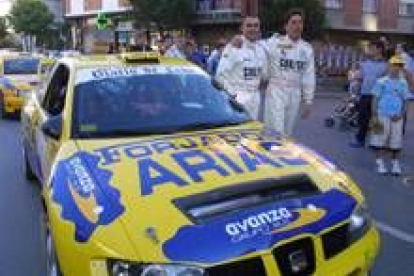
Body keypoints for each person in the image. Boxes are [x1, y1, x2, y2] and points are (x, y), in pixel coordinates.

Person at [262, 8, 315, 136]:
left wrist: (308, 100)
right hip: (276, 92)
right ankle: (271, 153)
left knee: (287, 132)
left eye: (300, 22)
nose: (297, 26)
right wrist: (239, 40)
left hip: (295, 94)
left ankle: (280, 155)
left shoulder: (307, 49)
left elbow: (309, 76)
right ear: (286, 26)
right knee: (275, 130)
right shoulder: (274, 42)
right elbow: (255, 47)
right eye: (293, 22)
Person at [215, 16, 268, 121]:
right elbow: (220, 76)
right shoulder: (234, 47)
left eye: (256, 26)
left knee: (252, 131)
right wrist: (233, 95)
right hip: (238, 96)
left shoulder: (262, 48)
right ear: (242, 28)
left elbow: (264, 75)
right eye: (249, 26)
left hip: (255, 97)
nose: (253, 29)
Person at [370, 55, 411, 175]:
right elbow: (375, 98)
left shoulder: (403, 83)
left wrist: (401, 114)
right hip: (382, 115)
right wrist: (374, 115)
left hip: (397, 117)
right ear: (389, 66)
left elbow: (406, 100)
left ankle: (395, 164)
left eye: (400, 65)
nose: (397, 68)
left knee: (396, 141)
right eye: (395, 65)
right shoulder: (381, 81)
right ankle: (379, 163)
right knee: (379, 139)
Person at [350, 41, 388, 148]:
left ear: (380, 49)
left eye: (372, 48)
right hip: (365, 94)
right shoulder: (365, 63)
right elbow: (360, 77)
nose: (370, 50)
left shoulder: (386, 65)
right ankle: (360, 140)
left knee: (377, 119)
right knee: (362, 119)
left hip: (378, 96)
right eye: (370, 48)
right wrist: (354, 76)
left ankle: (377, 143)